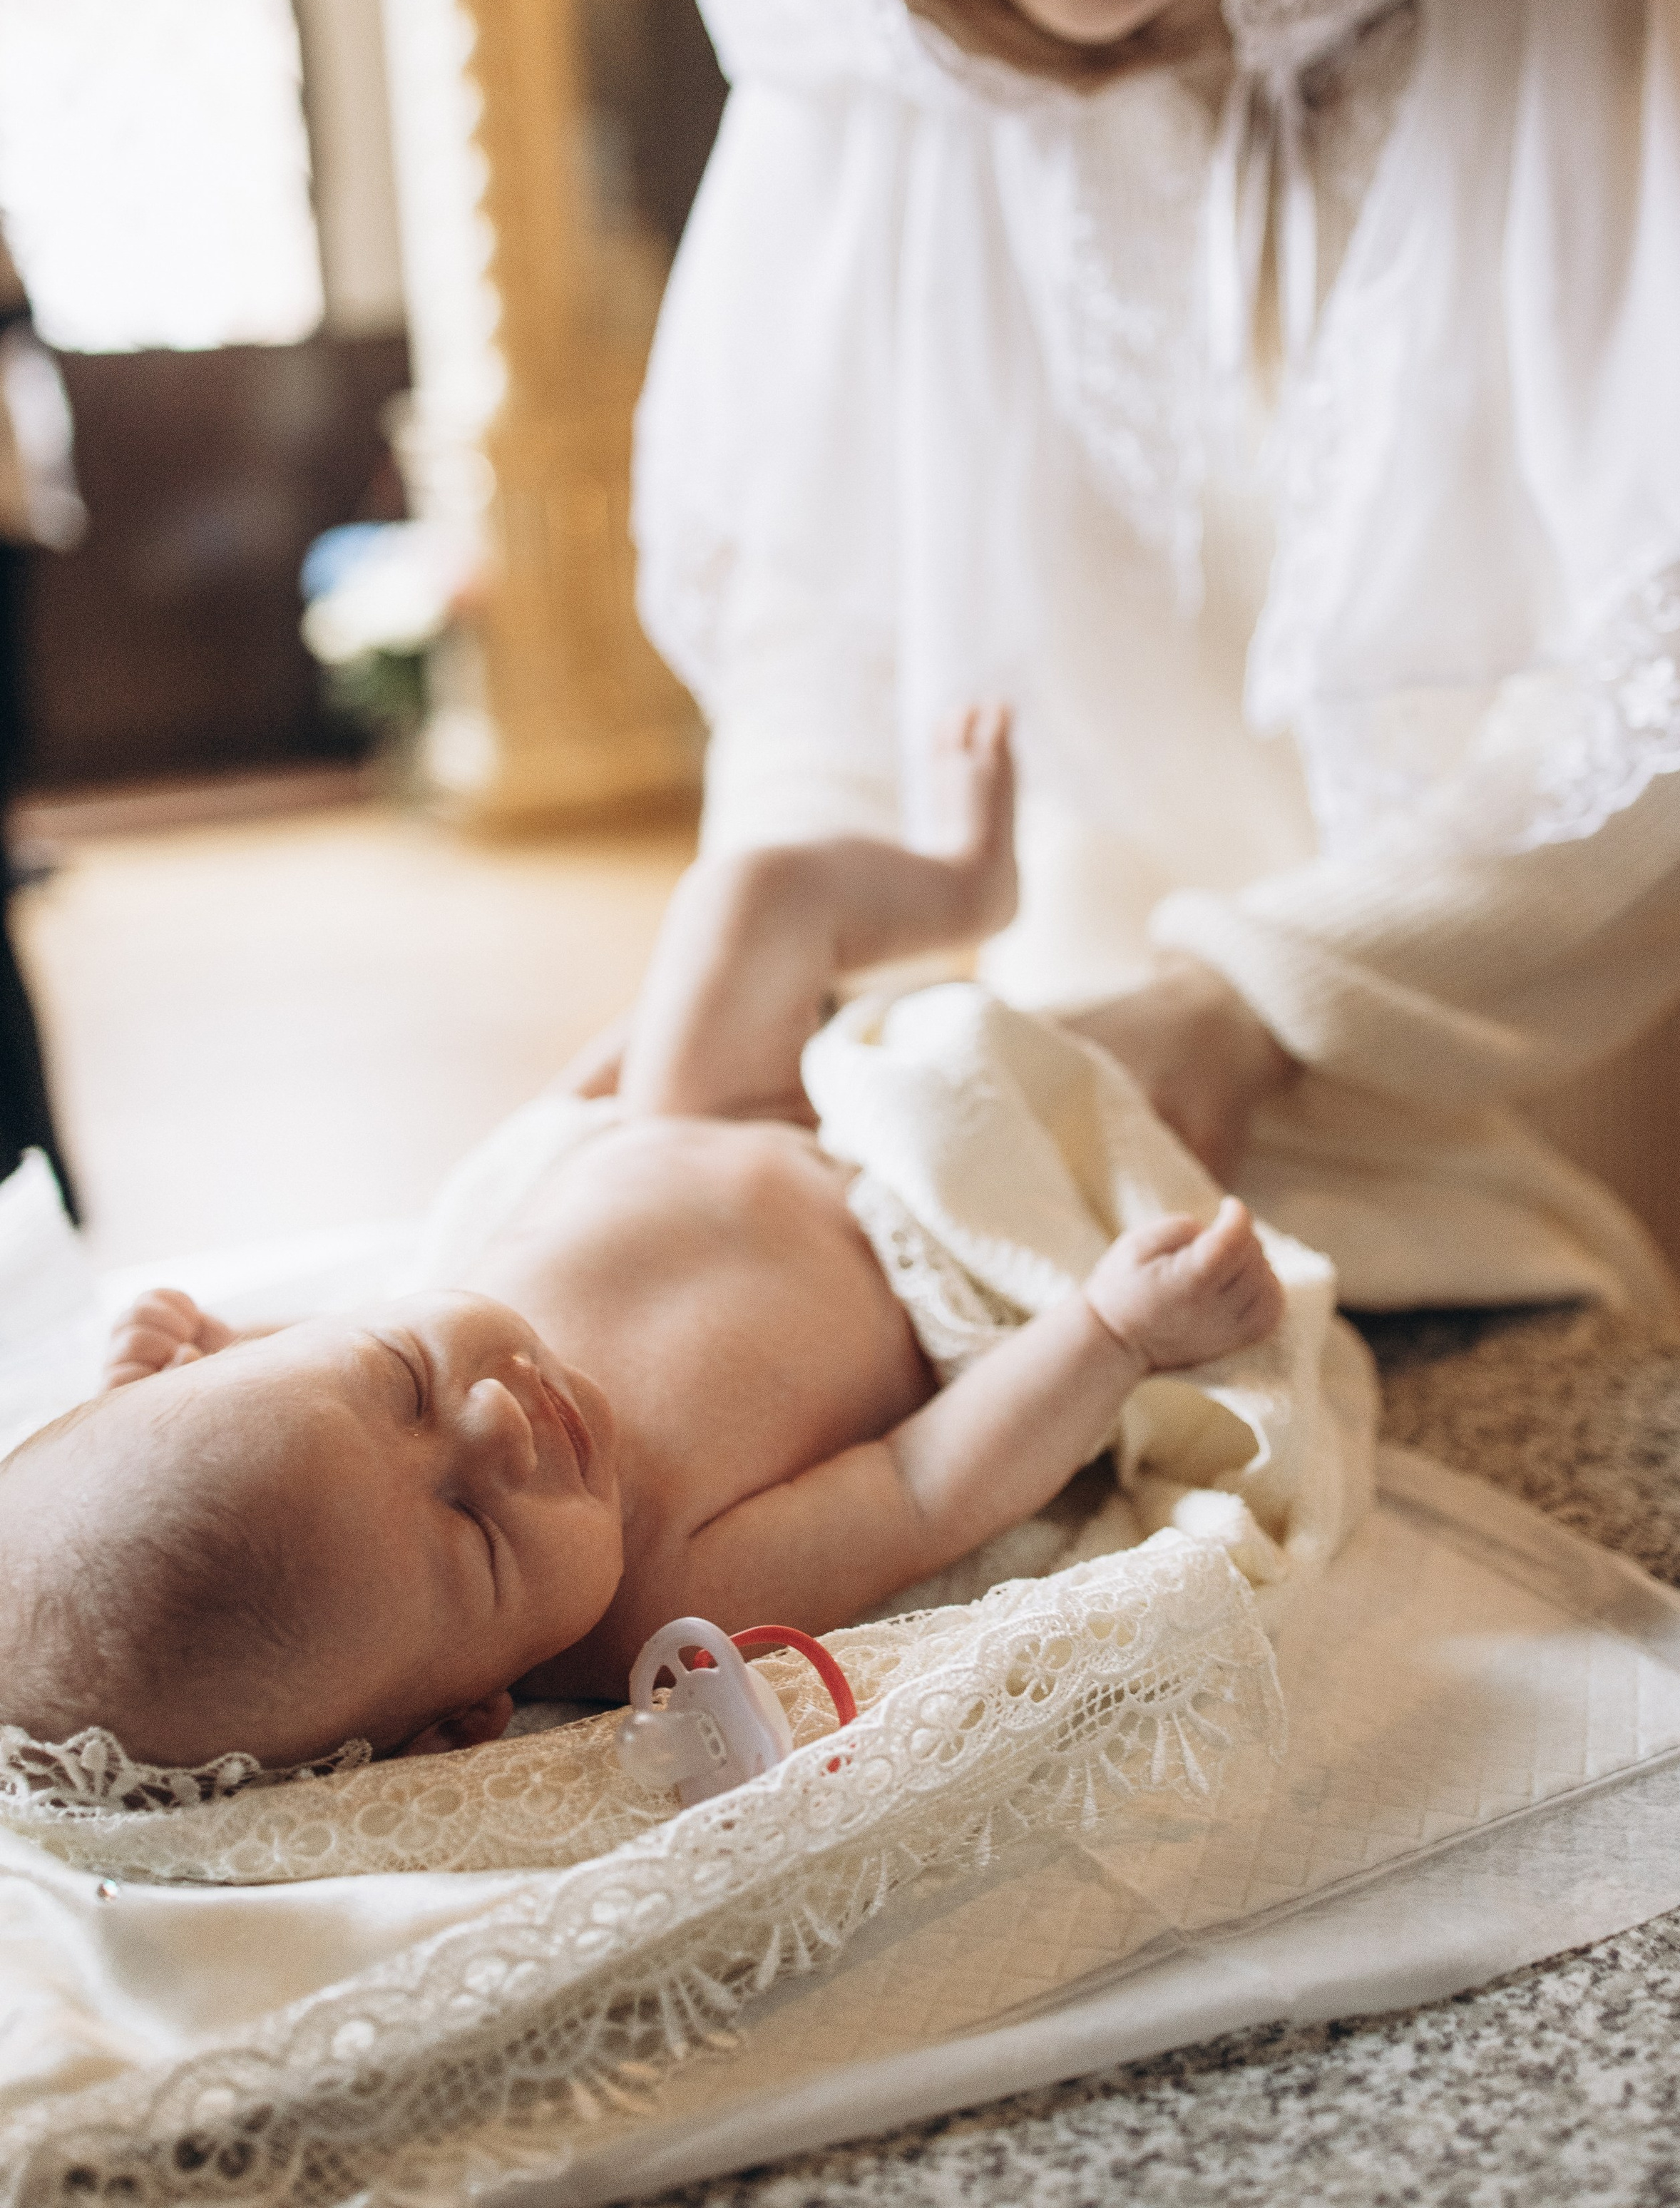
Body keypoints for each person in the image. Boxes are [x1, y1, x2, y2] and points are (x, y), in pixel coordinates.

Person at [633, 0, 1680, 1353]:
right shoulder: (872, 75)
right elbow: (822, 639)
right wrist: (788, 942)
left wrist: (1263, 1000)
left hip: (1554, 1050)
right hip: (1104, 1078)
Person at [0, 710, 1292, 1774]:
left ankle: (963, 882)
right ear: (466, 1717)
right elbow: (923, 1485)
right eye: (471, 1531)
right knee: (1120, 1100)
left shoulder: (345, 1441)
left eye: (398, 1374)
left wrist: (220, 1346)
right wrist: (1116, 1330)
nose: (497, 1426)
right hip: (914, 1228)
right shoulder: (665, 1594)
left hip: (691, 1120)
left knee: (742, 896)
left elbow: (322, 1383)